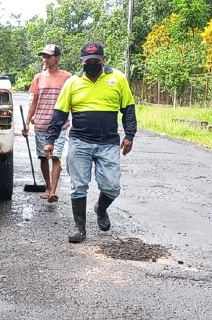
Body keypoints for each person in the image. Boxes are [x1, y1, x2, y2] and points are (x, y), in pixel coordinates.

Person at [45, 41, 137, 243]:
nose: (92, 64)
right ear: (82, 61)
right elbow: (59, 113)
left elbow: (128, 109)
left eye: (96, 61)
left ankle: (101, 208)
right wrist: (50, 139)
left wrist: (130, 135)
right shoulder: (72, 82)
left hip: (109, 143)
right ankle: (80, 229)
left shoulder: (118, 79)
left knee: (112, 187)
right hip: (80, 142)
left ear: (104, 60)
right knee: (78, 187)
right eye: (88, 61)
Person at [22, 44, 72, 203]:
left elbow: (72, 101)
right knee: (44, 158)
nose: (46, 59)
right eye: (44, 56)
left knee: (56, 157)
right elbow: (34, 102)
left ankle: (54, 192)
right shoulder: (38, 77)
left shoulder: (67, 78)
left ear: (58, 58)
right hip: (41, 124)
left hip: (60, 125)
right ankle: (48, 187)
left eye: (49, 56)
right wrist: (27, 122)